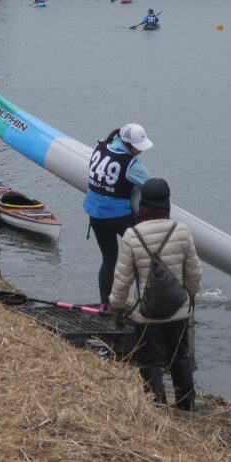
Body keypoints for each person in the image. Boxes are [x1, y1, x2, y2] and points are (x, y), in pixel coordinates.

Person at [109, 178, 201, 410]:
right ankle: (186, 404)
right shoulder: (182, 231)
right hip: (177, 311)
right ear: (167, 203)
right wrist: (190, 297)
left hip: (146, 314)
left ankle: (157, 407)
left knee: (150, 361)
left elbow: (122, 279)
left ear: (143, 204)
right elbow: (193, 273)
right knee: (180, 358)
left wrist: (117, 307)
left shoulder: (132, 235)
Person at [83, 123, 153, 308]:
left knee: (108, 259)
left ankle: (105, 305)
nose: (140, 151)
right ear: (128, 144)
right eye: (138, 146)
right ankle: (143, 306)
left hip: (95, 215)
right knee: (141, 258)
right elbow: (152, 187)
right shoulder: (132, 164)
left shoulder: (100, 146)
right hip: (117, 217)